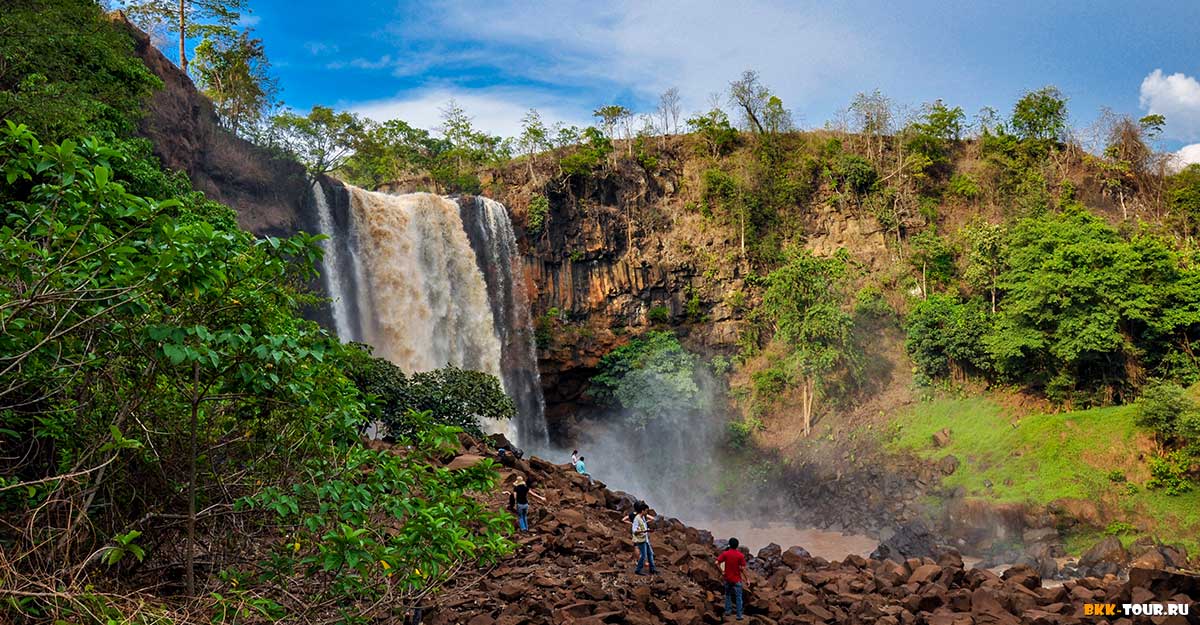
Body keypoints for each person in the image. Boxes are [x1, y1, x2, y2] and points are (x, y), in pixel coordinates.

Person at [716, 537, 747, 621]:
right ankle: (739, 615)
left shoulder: (725, 554)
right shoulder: (740, 555)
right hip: (737, 579)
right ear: (737, 545)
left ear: (729, 544)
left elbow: (717, 562)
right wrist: (747, 579)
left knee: (728, 595)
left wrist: (722, 572)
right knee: (739, 597)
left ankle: (728, 611)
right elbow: (743, 568)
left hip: (727, 579)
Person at [631, 501, 657, 575]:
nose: (647, 512)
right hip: (641, 540)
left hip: (645, 539)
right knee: (643, 555)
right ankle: (638, 570)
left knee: (650, 554)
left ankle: (652, 569)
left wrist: (647, 530)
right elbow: (634, 531)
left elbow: (644, 527)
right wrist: (645, 531)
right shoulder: (637, 519)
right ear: (642, 511)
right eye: (646, 511)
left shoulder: (643, 518)